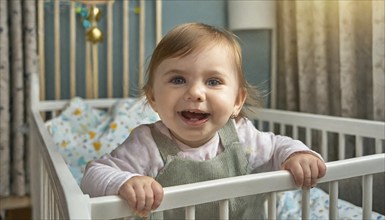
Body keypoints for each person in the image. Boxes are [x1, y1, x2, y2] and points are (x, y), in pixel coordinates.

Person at [81, 22, 326, 219]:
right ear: (153, 97)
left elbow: (276, 148)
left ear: (237, 101)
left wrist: (297, 155)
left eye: (213, 81)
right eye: (178, 79)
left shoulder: (241, 136)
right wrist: (127, 181)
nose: (195, 93)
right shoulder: (147, 144)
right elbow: (94, 174)